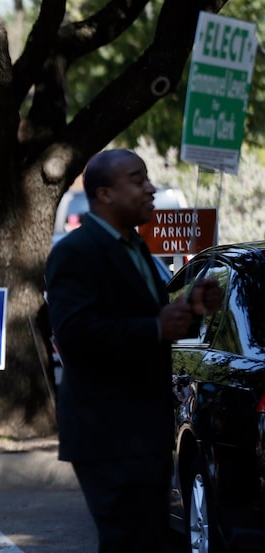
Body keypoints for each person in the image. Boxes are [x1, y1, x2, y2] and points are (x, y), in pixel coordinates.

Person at [44, 149, 219, 553]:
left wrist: (189, 311)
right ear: (104, 194)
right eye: (137, 180)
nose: (150, 188)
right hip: (107, 431)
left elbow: (149, 322)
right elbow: (75, 335)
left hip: (148, 428)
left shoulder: (135, 246)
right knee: (126, 541)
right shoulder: (76, 252)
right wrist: (156, 326)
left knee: (150, 539)